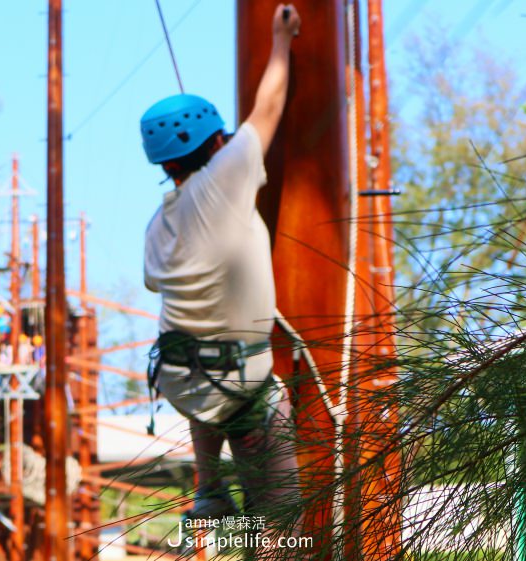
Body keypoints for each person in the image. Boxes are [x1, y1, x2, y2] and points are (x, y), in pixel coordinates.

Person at [142, 3, 302, 528]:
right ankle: (268, 529)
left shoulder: (157, 225)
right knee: (285, 528)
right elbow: (269, 106)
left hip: (183, 380)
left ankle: (209, 486)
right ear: (216, 142)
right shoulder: (227, 177)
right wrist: (281, 40)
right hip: (241, 382)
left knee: (190, 349)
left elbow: (152, 281)